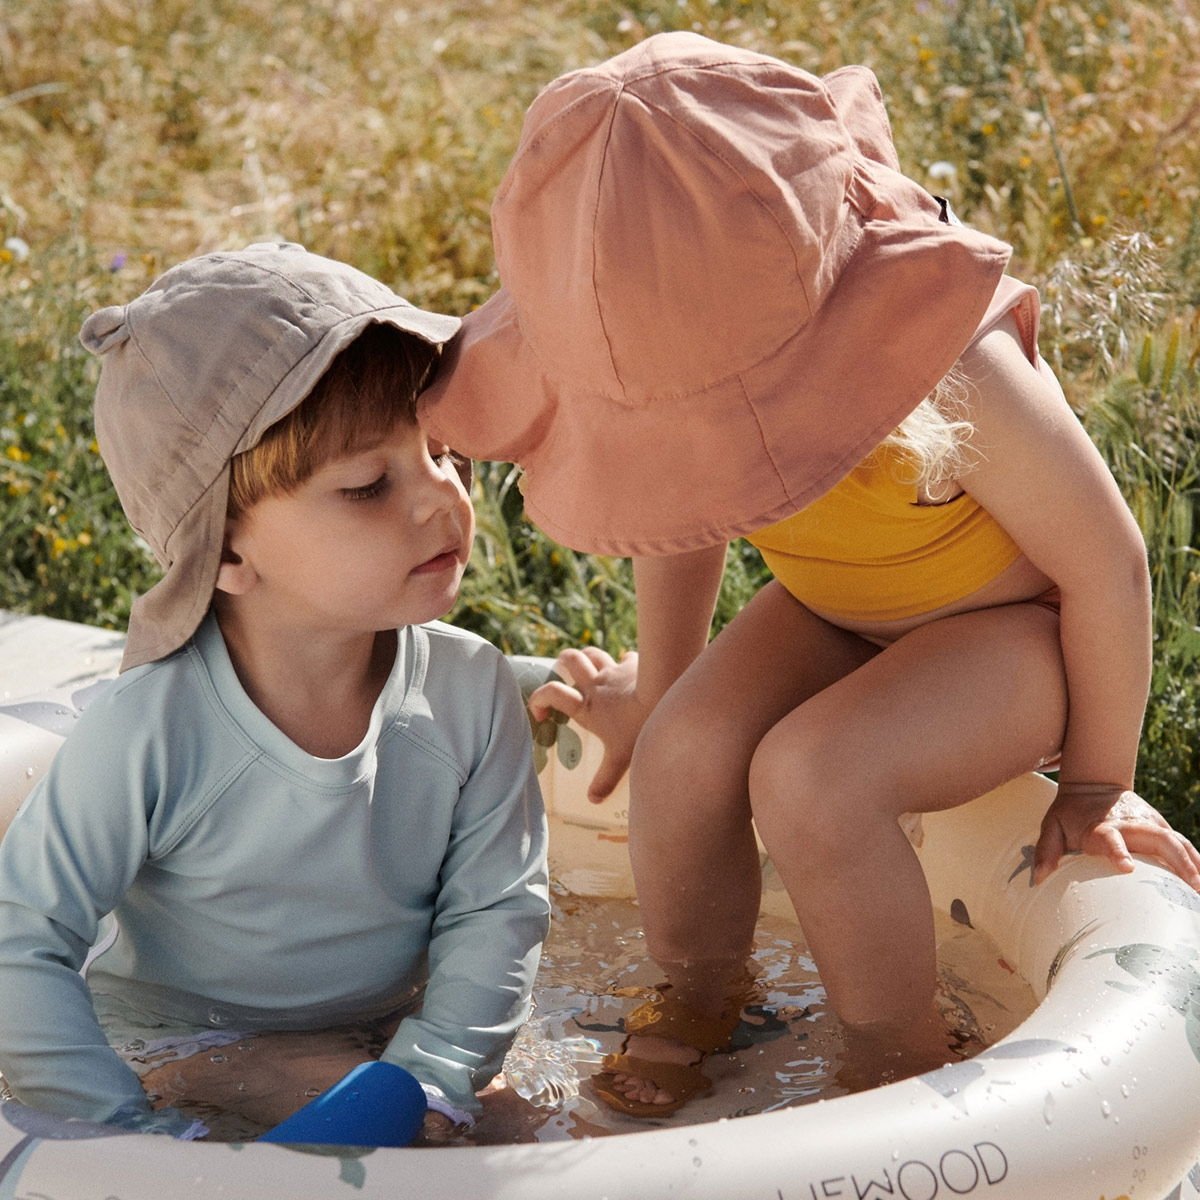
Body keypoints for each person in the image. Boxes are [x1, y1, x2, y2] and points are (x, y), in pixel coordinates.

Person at [419, 33, 1200, 1114]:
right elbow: (684, 518)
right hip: (834, 612)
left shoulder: (946, 354)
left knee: (814, 781)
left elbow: (1106, 561)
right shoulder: (688, 357)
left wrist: (1099, 784)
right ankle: (704, 993)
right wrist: (660, 690)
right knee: (685, 750)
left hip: (1015, 634)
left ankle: (898, 1057)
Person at [0, 242, 550, 1141]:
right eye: (368, 486)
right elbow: (22, 938)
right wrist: (114, 1132)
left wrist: (437, 1073)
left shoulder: (472, 692)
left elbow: (498, 910)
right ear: (223, 549)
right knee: (394, 1136)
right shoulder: (154, 728)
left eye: (442, 452)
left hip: (386, 1028)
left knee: (516, 1130)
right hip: (188, 1041)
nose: (441, 499)